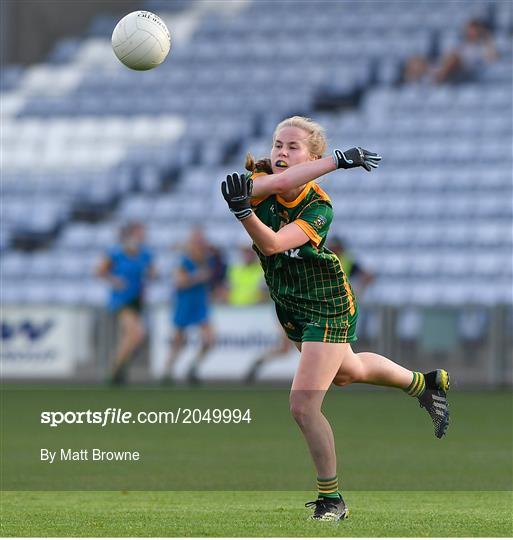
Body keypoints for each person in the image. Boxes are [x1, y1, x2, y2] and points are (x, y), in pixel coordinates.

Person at [221, 116, 450, 521]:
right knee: (349, 371)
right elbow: (267, 188)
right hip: (290, 303)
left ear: (313, 158)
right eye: (277, 145)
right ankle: (424, 383)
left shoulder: (319, 206)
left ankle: (332, 500)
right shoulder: (258, 185)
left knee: (303, 406)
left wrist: (244, 215)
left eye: (293, 147)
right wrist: (339, 161)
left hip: (326, 302)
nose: (281, 153)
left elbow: (273, 244)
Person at [97, 221, 156, 385]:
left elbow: (152, 273)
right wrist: (115, 280)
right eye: (139, 233)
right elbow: (100, 271)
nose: (142, 236)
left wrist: (152, 275)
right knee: (134, 334)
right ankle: (114, 369)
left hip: (137, 299)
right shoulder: (116, 253)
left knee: (136, 337)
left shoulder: (145, 254)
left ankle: (119, 369)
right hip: (122, 299)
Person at [162, 227, 215, 385]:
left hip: (200, 304)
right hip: (185, 303)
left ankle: (193, 367)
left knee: (209, 339)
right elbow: (179, 282)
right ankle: (167, 371)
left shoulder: (207, 259)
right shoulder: (185, 262)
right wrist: (196, 278)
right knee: (179, 341)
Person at [434, 19, 498, 84]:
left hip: (469, 71)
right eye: (468, 30)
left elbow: (492, 60)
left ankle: (438, 80)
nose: (470, 33)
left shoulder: (482, 46)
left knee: (454, 58)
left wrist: (487, 39)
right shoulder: (461, 45)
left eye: (473, 31)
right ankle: (437, 78)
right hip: (456, 70)